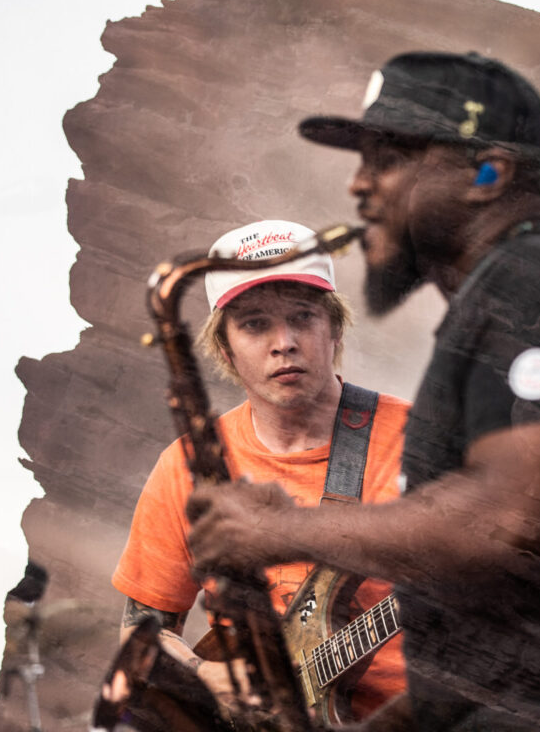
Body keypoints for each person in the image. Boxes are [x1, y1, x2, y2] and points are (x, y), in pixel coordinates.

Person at [188, 53, 540, 731]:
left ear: (489, 172)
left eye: (390, 159)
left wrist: (278, 529)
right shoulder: (486, 313)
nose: (359, 185)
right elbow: (482, 655)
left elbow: (505, 521)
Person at [112, 219, 410, 723]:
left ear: (334, 328)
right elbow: (142, 633)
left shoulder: (423, 442)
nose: (284, 342)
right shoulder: (187, 468)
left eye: (303, 317)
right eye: (254, 324)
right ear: (224, 349)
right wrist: (206, 677)